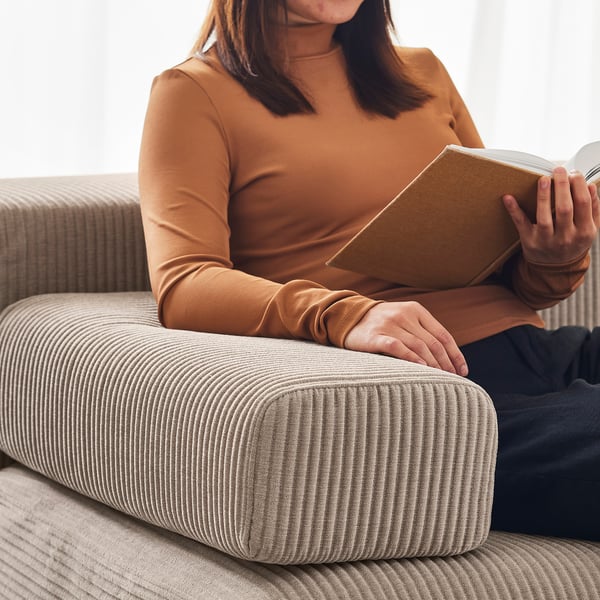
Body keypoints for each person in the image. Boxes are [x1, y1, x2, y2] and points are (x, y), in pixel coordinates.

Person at [138, 0, 600, 540]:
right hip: (422, 391)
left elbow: (502, 267)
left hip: (536, 348)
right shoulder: (193, 92)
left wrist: (552, 256)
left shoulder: (422, 71)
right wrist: (346, 315)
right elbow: (185, 281)